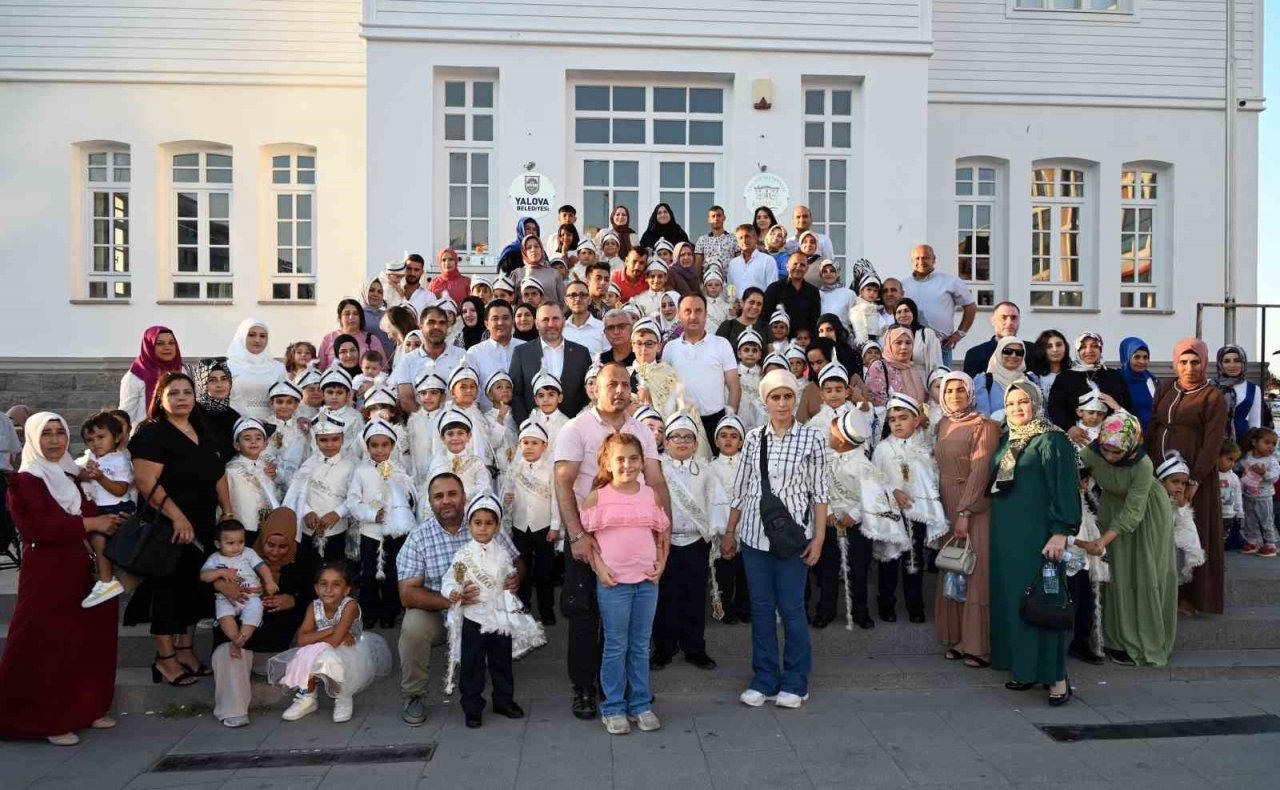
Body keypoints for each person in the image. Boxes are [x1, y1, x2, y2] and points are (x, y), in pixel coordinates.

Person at [555, 362, 670, 721]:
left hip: (631, 538)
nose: (619, 390)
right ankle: (585, 690)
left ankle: (620, 694)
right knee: (585, 617)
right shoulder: (576, 428)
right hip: (587, 534)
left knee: (627, 628)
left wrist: (662, 536)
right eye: (611, 384)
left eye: (625, 384)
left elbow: (656, 482)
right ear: (595, 389)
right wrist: (577, 536)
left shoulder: (642, 430)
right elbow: (563, 482)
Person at [0, 413, 122, 745]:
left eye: (60, 434)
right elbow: (37, 528)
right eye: (46, 435)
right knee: (47, 643)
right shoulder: (26, 480)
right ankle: (47, 720)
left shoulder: (69, 472)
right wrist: (91, 525)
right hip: (47, 570)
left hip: (81, 565)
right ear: (33, 440)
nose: (54, 441)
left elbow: (86, 510)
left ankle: (84, 709)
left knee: (83, 639)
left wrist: (105, 519)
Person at [720, 369, 828, 710]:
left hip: (794, 541)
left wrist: (820, 539)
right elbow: (740, 489)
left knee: (793, 609)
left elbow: (821, 493)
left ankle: (796, 680)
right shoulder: (753, 439)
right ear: (764, 401)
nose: (782, 403)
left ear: (795, 399)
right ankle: (764, 677)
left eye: (787, 396)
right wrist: (730, 531)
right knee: (762, 610)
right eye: (775, 397)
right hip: (753, 538)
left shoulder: (813, 439)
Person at [124, 372, 235, 687]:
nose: (182, 398)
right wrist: (177, 517)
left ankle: (185, 650)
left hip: (201, 524)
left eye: (188, 392)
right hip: (168, 527)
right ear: (160, 398)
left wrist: (227, 512)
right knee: (167, 592)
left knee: (192, 589)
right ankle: (165, 659)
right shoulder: (151, 433)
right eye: (174, 393)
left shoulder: (202, 428)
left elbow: (218, 473)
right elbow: (146, 482)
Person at [396, 472, 521, 727]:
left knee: (499, 650)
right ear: (429, 502)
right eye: (438, 496)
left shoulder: (483, 521)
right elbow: (407, 594)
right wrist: (453, 601)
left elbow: (516, 561)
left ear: (464, 497)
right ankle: (414, 694)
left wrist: (515, 578)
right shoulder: (418, 537)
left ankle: (503, 696)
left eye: (452, 494)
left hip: (485, 611)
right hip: (439, 609)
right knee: (413, 628)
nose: (446, 501)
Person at [988, 381, 1079, 705]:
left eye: (1023, 401)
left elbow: (1066, 488)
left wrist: (1061, 531)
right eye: (1011, 403)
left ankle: (1056, 678)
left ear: (1036, 402)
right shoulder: (1007, 438)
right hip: (1008, 539)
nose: (1016, 408)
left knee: (1047, 602)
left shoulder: (1052, 440)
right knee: (1017, 603)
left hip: (1041, 538)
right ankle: (1026, 670)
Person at [580, 432, 670, 734]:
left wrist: (661, 563)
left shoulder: (649, 495)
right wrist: (600, 568)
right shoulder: (598, 497)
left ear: (642, 462)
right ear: (607, 461)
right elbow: (588, 541)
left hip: (647, 581)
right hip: (614, 582)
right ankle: (613, 706)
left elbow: (658, 533)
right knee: (616, 645)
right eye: (620, 459)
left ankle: (641, 704)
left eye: (634, 459)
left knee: (641, 644)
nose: (627, 465)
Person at [1078, 411, 1178, 667]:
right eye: (1106, 450)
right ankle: (1118, 639)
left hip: (1147, 514)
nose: (1109, 457)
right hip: (1111, 506)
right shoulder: (1093, 452)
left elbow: (1133, 513)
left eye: (1116, 452)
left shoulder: (1143, 465)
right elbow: (1076, 467)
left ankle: (1142, 638)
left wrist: (1102, 541)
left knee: (1143, 572)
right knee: (1118, 573)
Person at [442, 493, 542, 728]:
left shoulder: (502, 553)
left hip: (498, 617)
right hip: (473, 618)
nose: (483, 528)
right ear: (470, 524)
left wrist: (512, 581)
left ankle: (504, 700)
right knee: (471, 665)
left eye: (489, 523)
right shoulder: (463, 555)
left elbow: (510, 575)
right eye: (478, 523)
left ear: (497, 526)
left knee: (501, 662)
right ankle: (472, 707)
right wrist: (454, 592)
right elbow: (450, 579)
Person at [211, 515, 316, 728]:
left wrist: (292, 600)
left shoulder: (306, 557)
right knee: (230, 647)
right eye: (270, 545)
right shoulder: (241, 549)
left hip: (283, 633)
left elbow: (319, 595)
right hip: (243, 625)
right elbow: (208, 576)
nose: (275, 552)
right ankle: (234, 710)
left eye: (283, 547)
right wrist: (223, 587)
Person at [930, 372, 1001, 665]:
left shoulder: (984, 425)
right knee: (954, 568)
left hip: (970, 505)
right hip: (947, 504)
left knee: (975, 572)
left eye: (961, 390)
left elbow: (980, 470)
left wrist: (965, 511)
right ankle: (958, 637)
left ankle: (978, 645)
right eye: (949, 391)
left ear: (970, 393)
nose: (955, 395)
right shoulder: (944, 423)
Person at [270, 561, 393, 724]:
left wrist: (318, 636)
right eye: (323, 584)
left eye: (336, 585)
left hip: (349, 649)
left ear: (347, 589)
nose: (328, 590)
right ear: (316, 588)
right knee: (304, 653)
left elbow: (335, 642)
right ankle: (308, 696)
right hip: (324, 645)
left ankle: (343, 695)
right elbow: (301, 639)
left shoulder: (349, 606)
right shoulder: (314, 607)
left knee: (324, 655)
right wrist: (331, 629)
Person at [652, 414, 726, 671]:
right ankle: (663, 647)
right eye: (675, 436)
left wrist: (718, 533)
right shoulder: (656, 470)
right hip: (665, 543)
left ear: (696, 444)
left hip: (695, 542)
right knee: (665, 597)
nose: (681, 442)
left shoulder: (706, 471)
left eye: (688, 437)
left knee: (694, 597)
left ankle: (695, 647)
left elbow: (716, 503)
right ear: (666, 442)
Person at [872, 394, 947, 623]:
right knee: (889, 560)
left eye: (903, 418)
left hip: (917, 514)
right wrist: (893, 491)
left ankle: (915, 604)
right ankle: (886, 602)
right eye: (892, 419)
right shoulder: (882, 450)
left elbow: (931, 479)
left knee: (913, 561)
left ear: (916, 420)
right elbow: (874, 481)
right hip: (891, 514)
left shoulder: (925, 449)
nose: (897, 423)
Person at [349, 419, 419, 629]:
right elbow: (352, 502)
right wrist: (371, 514)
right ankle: (369, 611)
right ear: (367, 446)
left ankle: (390, 610)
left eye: (385, 445)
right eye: (374, 445)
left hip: (394, 533)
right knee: (368, 574)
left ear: (392, 445)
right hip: (370, 532)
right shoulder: (361, 471)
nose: (380, 450)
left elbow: (411, 499)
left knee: (392, 574)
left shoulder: (399, 470)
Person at [662, 293, 741, 444]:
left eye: (698, 311)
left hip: (716, 422)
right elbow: (665, 389)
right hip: (682, 424)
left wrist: (728, 422)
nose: (693, 316)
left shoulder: (721, 344)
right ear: (679, 314)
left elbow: (734, 386)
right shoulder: (670, 348)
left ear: (706, 314)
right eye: (687, 311)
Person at [503, 420, 559, 624]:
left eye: (535, 443)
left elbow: (556, 499)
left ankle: (547, 611)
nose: (529, 447)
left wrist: (555, 526)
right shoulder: (514, 468)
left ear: (545, 446)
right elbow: (507, 496)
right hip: (520, 527)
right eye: (525, 442)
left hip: (543, 527)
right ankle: (522, 607)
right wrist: (506, 501)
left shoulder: (550, 469)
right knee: (521, 569)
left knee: (545, 571)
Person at [75, 412, 134, 607]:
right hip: (98, 509)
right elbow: (82, 474)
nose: (95, 443)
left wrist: (100, 478)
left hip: (117, 507)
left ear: (117, 437)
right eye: (90, 439)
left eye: (101, 437)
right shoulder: (91, 457)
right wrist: (85, 474)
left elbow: (120, 489)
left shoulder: (120, 461)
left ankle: (106, 581)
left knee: (99, 539)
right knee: (93, 540)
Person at [200, 519, 278, 658]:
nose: (236, 547)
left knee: (253, 615)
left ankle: (242, 640)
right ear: (218, 544)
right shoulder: (215, 559)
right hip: (225, 598)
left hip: (251, 596)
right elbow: (204, 576)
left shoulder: (248, 553)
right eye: (230, 543)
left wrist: (269, 582)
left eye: (240, 542)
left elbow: (261, 567)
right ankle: (236, 640)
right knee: (224, 617)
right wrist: (220, 572)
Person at [509, 302, 593, 424]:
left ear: (563, 321)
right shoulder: (522, 353)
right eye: (545, 320)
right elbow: (516, 394)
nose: (551, 324)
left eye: (555, 319)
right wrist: (526, 426)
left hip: (573, 429)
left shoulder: (581, 353)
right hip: (533, 434)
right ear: (536, 323)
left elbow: (587, 394)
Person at [283, 420, 353, 565]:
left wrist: (337, 513)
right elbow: (296, 491)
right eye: (323, 440)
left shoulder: (352, 465)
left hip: (336, 530)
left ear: (342, 439)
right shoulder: (309, 463)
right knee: (306, 568)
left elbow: (355, 497)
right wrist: (307, 512)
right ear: (316, 440)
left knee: (333, 568)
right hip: (307, 529)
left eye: (335, 439)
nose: (329, 444)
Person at [901, 245, 977, 367]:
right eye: (917, 258)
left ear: (934, 259)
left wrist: (960, 333)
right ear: (912, 261)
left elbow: (971, 306)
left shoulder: (950, 282)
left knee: (940, 384)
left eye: (925, 258)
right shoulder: (903, 285)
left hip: (941, 347)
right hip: (910, 347)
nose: (921, 261)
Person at [1047, 333, 1133, 435]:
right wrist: (1069, 427)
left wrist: (1116, 406)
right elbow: (1055, 407)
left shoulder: (1114, 376)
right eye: (1083, 347)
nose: (1089, 351)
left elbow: (1128, 406)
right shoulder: (1066, 377)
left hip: (1111, 437)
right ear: (1077, 351)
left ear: (1100, 349)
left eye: (1094, 346)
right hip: (1075, 438)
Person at [391, 306, 467, 413]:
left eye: (442, 323)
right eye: (431, 322)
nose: (437, 326)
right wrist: (428, 423)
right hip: (420, 425)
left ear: (447, 327)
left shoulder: (461, 356)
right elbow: (406, 400)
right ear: (421, 326)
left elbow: (469, 394)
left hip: (457, 423)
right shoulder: (407, 361)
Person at [119, 326, 185, 429]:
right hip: (146, 437)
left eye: (171, 343)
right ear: (149, 346)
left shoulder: (183, 371)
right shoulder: (135, 376)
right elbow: (126, 415)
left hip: (181, 434)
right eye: (160, 343)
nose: (167, 347)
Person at [224, 417, 281, 536]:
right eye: (247, 438)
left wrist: (275, 475)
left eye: (258, 438)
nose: (253, 442)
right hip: (244, 526)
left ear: (265, 444)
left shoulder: (267, 465)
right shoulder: (231, 470)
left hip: (269, 524)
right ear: (237, 445)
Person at [465, 300, 526, 411]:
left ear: (512, 321)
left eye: (505, 318)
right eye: (495, 318)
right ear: (486, 324)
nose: (500, 322)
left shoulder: (525, 348)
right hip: (488, 421)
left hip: (524, 419)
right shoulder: (474, 353)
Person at [226, 318, 287, 421]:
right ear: (241, 336)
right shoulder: (228, 367)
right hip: (235, 426)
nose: (257, 340)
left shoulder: (278, 368)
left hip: (271, 427)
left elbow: (288, 398)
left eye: (262, 336)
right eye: (251, 335)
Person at [974, 337, 1038, 421]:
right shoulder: (984, 381)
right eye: (1007, 351)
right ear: (999, 353)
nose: (1013, 355)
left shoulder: (1031, 380)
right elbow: (983, 419)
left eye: (1019, 353)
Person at [1239, 427, 1280, 556]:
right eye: (1267, 443)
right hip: (1248, 495)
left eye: (1274, 444)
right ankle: (1253, 541)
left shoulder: (1271, 460)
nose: (1271, 447)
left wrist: (1264, 473)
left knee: (1266, 519)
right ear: (1255, 442)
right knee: (1250, 520)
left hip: (1264, 496)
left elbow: (1275, 477)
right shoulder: (1248, 456)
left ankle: (1270, 543)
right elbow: (1241, 467)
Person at [763, 252, 823, 340]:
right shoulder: (774, 288)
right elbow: (765, 317)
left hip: (803, 342)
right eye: (795, 264)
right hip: (778, 341)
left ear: (807, 269)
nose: (798, 267)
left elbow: (814, 321)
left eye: (802, 265)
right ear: (787, 266)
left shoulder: (813, 291)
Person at [866, 325, 927, 406]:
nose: (904, 347)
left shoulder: (914, 368)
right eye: (898, 343)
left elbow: (925, 401)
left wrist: (923, 415)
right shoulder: (879, 367)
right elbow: (876, 400)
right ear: (889, 344)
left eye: (908, 343)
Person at [1215, 345, 1268, 440]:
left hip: (1243, 442)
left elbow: (1255, 422)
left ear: (1243, 362)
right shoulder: (1211, 386)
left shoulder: (1254, 389)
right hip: (1214, 441)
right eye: (1226, 361)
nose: (1232, 365)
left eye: (1237, 360)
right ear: (1220, 364)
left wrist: (1253, 448)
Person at [319, 300, 387, 373]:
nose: (351, 317)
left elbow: (384, 369)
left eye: (356, 314)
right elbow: (320, 369)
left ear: (360, 317)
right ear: (339, 318)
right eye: (347, 314)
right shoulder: (329, 338)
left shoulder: (371, 339)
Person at [962, 302, 1021, 378]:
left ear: (1019, 321)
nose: (1009, 322)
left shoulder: (1032, 351)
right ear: (993, 320)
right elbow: (971, 387)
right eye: (1003, 317)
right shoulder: (975, 354)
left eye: (1014, 318)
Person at [892, 297, 944, 381]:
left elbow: (936, 365)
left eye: (906, 311)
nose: (903, 315)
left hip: (923, 384)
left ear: (914, 313)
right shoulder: (891, 336)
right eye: (899, 312)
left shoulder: (927, 334)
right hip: (899, 385)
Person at [726, 225, 777, 298]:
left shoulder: (767, 261)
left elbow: (772, 289)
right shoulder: (733, 263)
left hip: (759, 308)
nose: (744, 240)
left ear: (755, 238)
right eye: (740, 238)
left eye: (747, 236)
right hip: (737, 308)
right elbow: (730, 288)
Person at [1119, 337, 1159, 429]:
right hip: (1126, 436)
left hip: (1151, 436)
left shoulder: (1153, 381)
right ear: (1127, 357)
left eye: (1145, 357)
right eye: (1137, 357)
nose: (1141, 361)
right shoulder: (1117, 381)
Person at [562, 279, 606, 358]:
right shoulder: (559, 330)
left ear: (589, 300)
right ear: (566, 301)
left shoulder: (603, 328)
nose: (578, 299)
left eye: (582, 295)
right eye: (573, 295)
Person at [694, 205, 738, 274]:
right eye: (713, 216)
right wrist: (699, 284)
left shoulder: (733, 238)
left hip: (729, 282)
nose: (716, 219)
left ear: (724, 218)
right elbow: (697, 266)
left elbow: (739, 262)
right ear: (709, 219)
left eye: (719, 215)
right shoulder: (702, 240)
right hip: (709, 283)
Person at [1219, 439, 1245, 551]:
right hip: (1214, 514)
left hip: (1228, 514)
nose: (1232, 464)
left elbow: (1238, 495)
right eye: (1229, 459)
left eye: (1234, 461)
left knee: (1223, 539)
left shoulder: (1233, 477)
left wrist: (1239, 512)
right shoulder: (1211, 475)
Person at [1028, 330, 1070, 396]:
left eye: (1059, 345)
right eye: (1049, 346)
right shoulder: (1033, 378)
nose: (1055, 350)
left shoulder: (1074, 374)